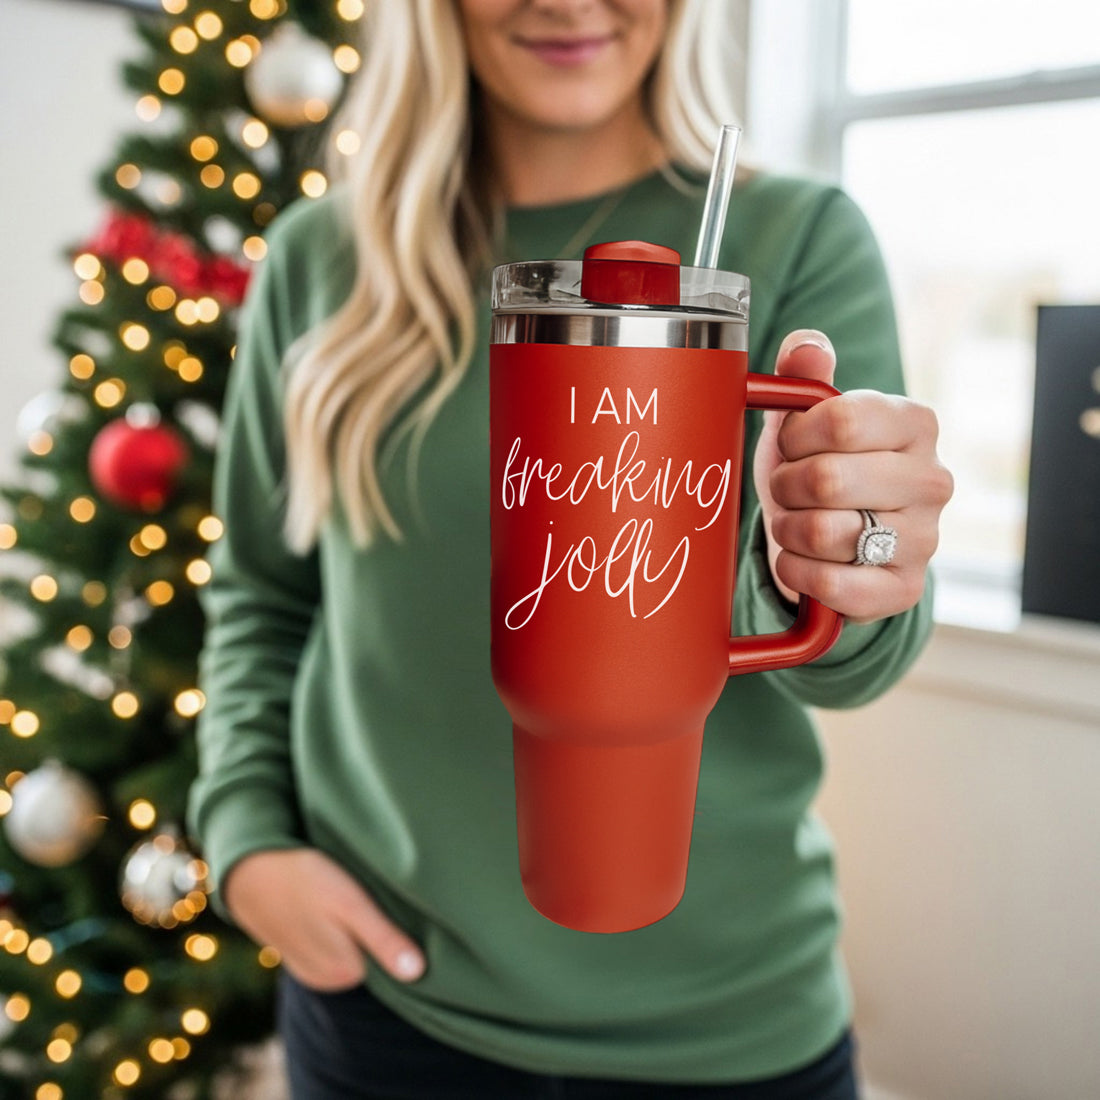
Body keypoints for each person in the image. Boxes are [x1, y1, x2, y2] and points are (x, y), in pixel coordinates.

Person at [188, 1, 953, 1097]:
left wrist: (849, 557)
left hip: (726, 1030)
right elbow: (264, 596)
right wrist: (246, 837)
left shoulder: (790, 238)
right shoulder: (323, 258)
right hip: (386, 1007)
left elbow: (851, 651)